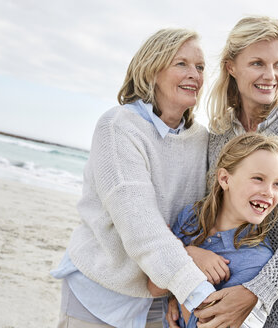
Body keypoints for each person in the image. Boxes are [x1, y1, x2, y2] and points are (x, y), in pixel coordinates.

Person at [51, 28, 219, 328]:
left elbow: (200, 217)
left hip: (159, 299)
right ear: (151, 70)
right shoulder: (118, 127)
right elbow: (140, 225)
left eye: (200, 67)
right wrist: (198, 292)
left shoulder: (200, 140)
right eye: (181, 63)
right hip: (101, 293)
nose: (194, 74)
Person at [193, 16, 278, 327]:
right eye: (257, 63)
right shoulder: (218, 133)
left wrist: (258, 291)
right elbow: (207, 213)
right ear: (231, 67)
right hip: (223, 280)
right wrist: (183, 279)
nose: (271, 75)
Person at [148, 132, 278, 328]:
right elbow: (154, 287)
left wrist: (181, 262)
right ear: (224, 179)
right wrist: (189, 254)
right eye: (258, 178)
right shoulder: (189, 217)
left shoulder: (256, 260)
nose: (269, 192)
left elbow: (201, 322)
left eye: (277, 184)